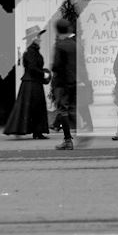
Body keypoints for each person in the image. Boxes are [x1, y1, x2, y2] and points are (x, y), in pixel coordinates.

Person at [3, 25, 50, 139]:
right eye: (38, 37)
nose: (40, 39)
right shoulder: (30, 52)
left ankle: (37, 132)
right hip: (31, 84)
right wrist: (43, 74)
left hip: (32, 83)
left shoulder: (33, 51)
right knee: (35, 107)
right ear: (34, 38)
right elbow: (32, 68)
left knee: (34, 107)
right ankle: (36, 132)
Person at [50, 18, 78, 150]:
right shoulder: (74, 44)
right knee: (71, 108)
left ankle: (67, 140)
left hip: (62, 83)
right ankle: (82, 132)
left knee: (63, 110)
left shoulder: (59, 45)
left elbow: (56, 66)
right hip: (73, 82)